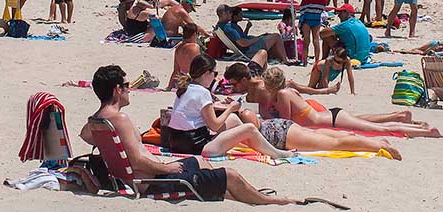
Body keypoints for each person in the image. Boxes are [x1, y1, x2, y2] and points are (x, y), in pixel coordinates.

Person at [79, 65, 304, 205]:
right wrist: (167, 168)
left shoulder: (97, 120)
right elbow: (138, 161)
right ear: (118, 89)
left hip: (139, 178)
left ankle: (235, 193)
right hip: (150, 182)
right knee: (231, 175)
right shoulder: (121, 119)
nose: (130, 90)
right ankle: (271, 201)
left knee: (199, 160)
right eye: (127, 85)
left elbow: (86, 136)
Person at [226, 64, 434, 141]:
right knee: (376, 127)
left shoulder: (282, 95)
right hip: (330, 117)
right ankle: (414, 125)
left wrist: (268, 115)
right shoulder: (286, 92)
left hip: (331, 120)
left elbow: (288, 123)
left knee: (379, 129)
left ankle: (426, 131)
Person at [167, 55, 296, 159]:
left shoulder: (186, 88)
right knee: (249, 128)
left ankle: (260, 144)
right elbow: (214, 126)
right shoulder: (203, 92)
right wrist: (231, 108)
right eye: (215, 73)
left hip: (176, 142)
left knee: (234, 120)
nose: (215, 77)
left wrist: (220, 106)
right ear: (206, 73)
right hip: (197, 147)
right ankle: (277, 153)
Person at [219, 6, 291, 64]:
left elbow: (241, 38)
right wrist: (258, 38)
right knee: (276, 36)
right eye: (229, 13)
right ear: (223, 14)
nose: (231, 14)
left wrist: (248, 28)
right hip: (249, 50)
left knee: (270, 37)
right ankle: (285, 60)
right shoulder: (229, 27)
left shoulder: (222, 26)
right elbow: (243, 43)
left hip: (247, 48)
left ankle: (280, 58)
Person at [298, 0, 326, 66]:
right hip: (317, 18)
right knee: (316, 40)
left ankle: (305, 61)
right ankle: (317, 61)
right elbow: (323, 6)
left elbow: (303, 6)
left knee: (306, 40)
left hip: (307, 18)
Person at [168, 24, 203, 90]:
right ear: (195, 34)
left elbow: (176, 71)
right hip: (191, 82)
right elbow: (198, 68)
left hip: (181, 82)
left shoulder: (178, 47)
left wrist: (169, 87)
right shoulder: (194, 47)